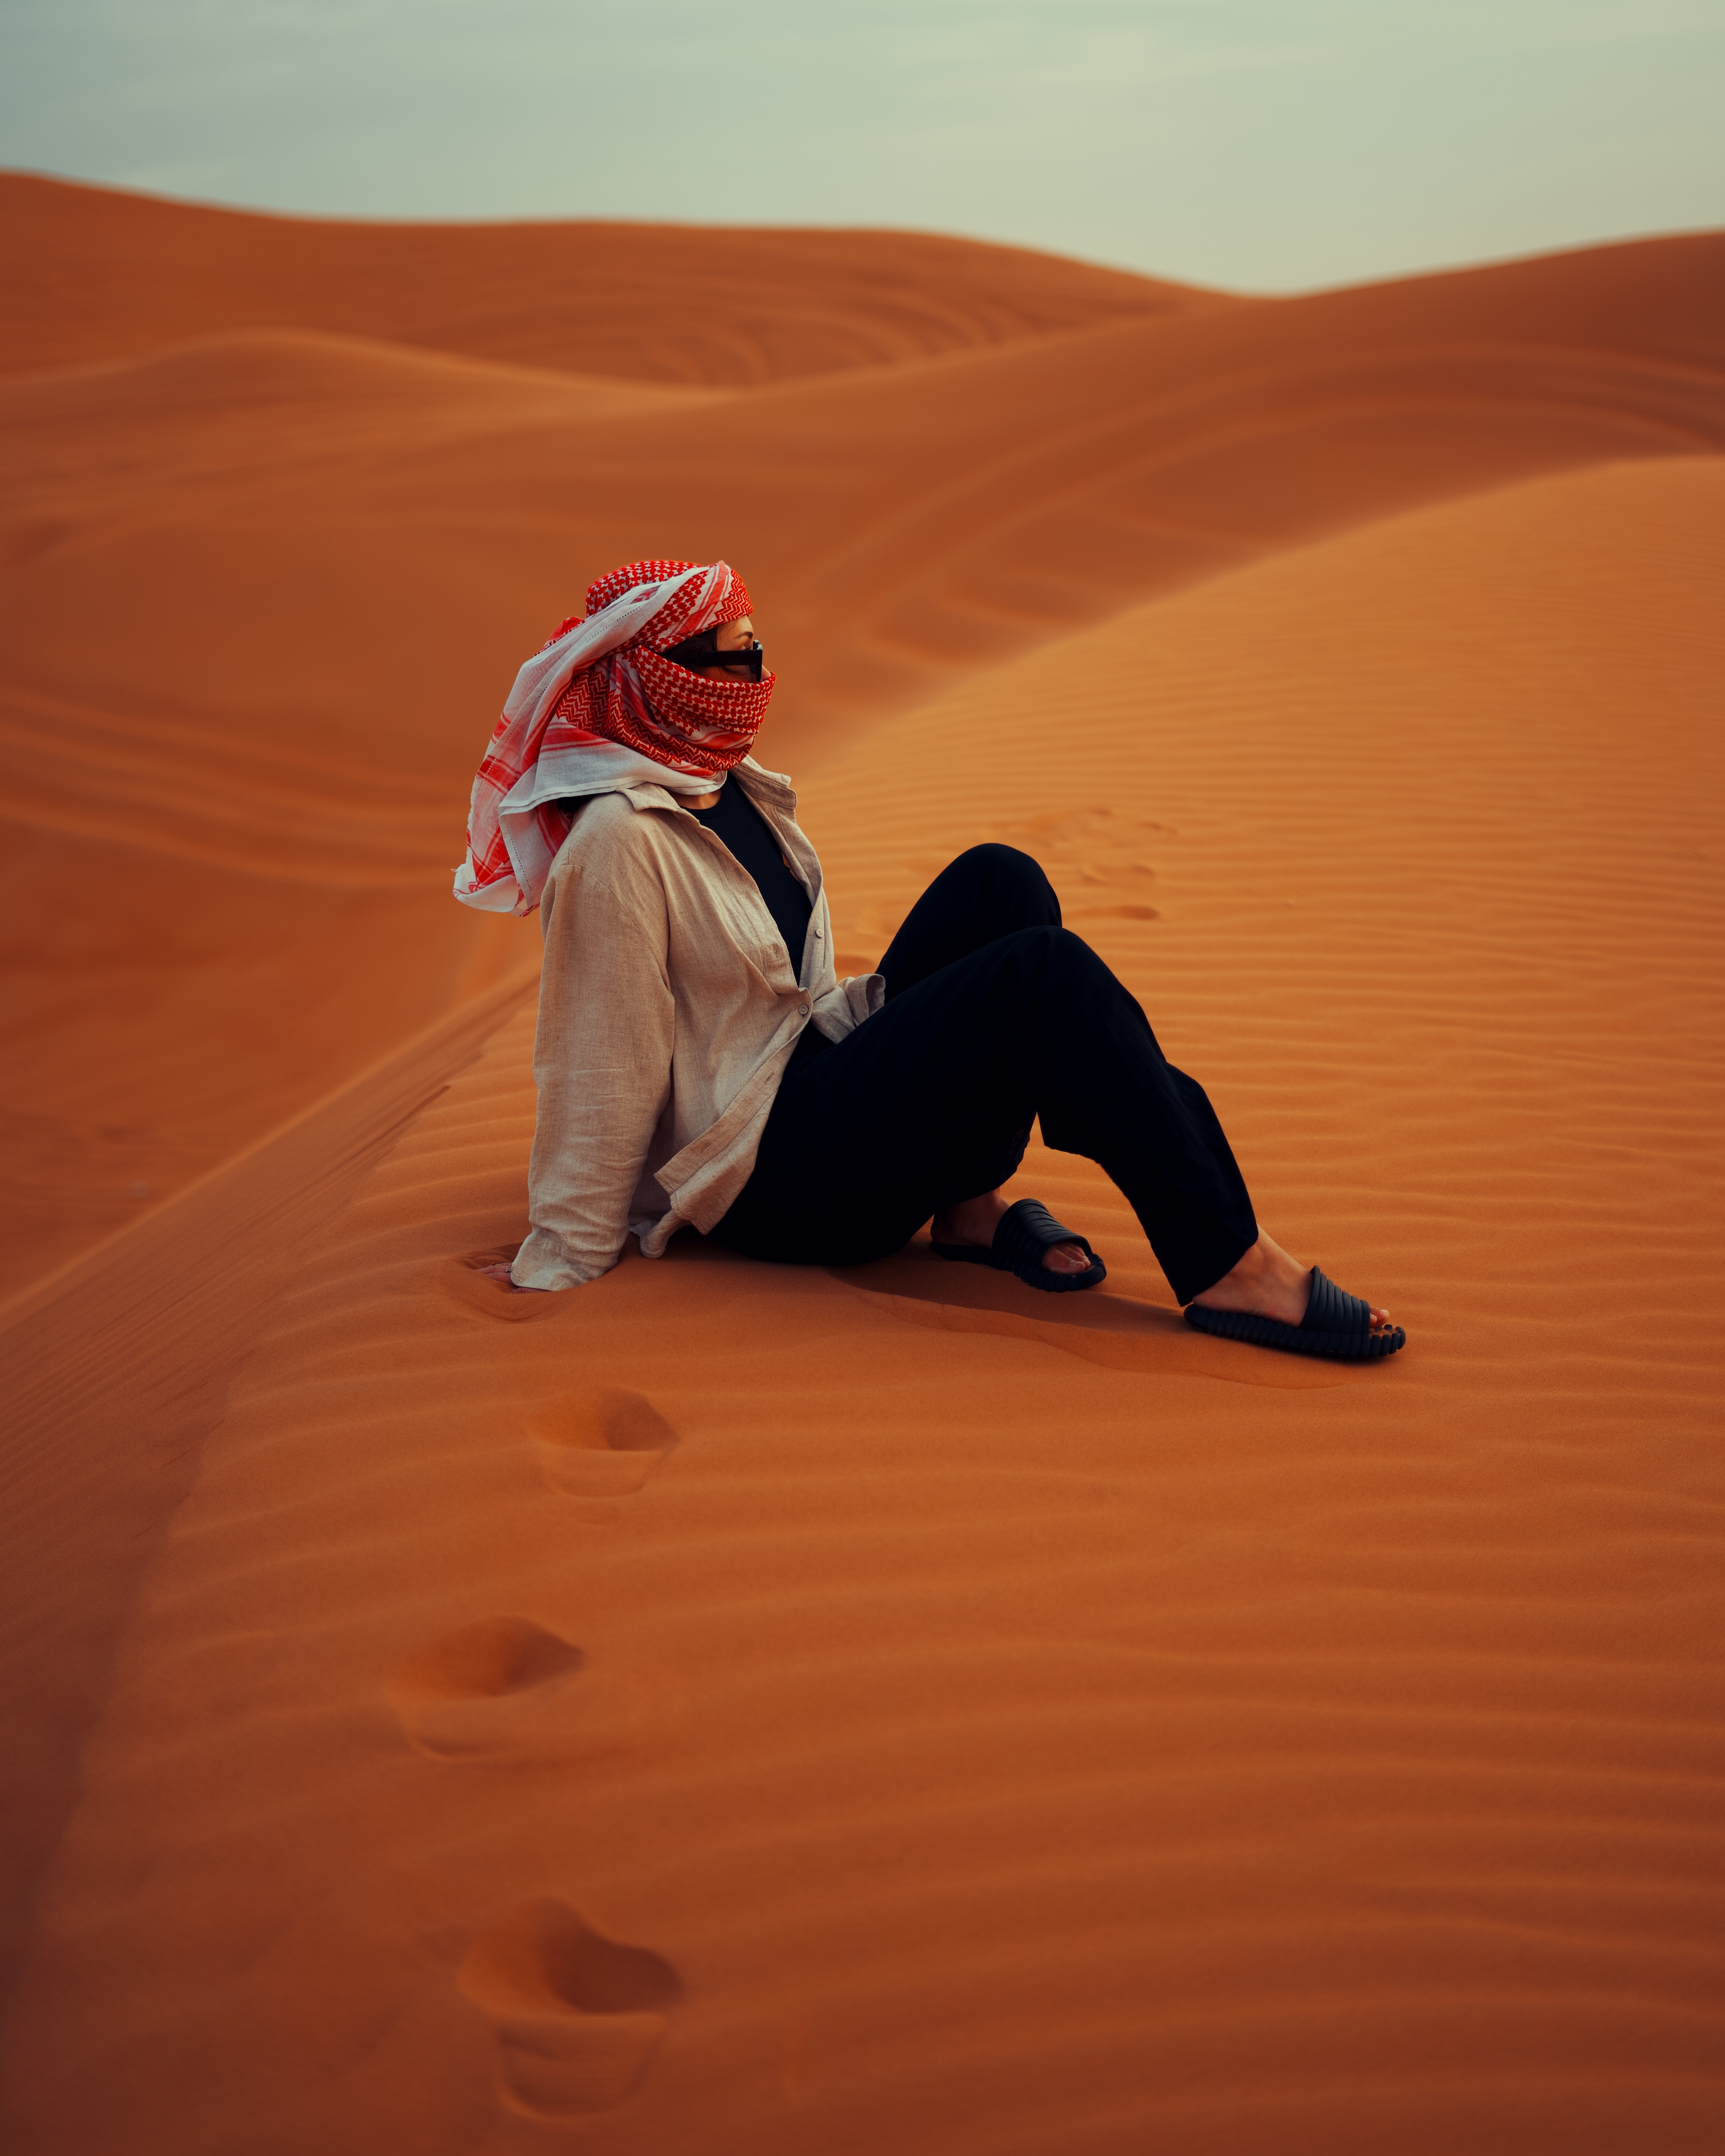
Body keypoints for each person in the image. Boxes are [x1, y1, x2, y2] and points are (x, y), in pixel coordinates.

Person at [454, 558, 1403, 1361]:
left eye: (759, 649)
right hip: (773, 1183)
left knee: (1002, 882)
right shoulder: (618, 842)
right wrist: (564, 1250)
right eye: (732, 655)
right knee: (1041, 973)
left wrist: (874, 1035)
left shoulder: (724, 785)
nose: (756, 672)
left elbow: (795, 991)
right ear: (652, 674)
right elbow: (597, 1058)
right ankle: (1231, 1264)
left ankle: (964, 1206)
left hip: (808, 1076)